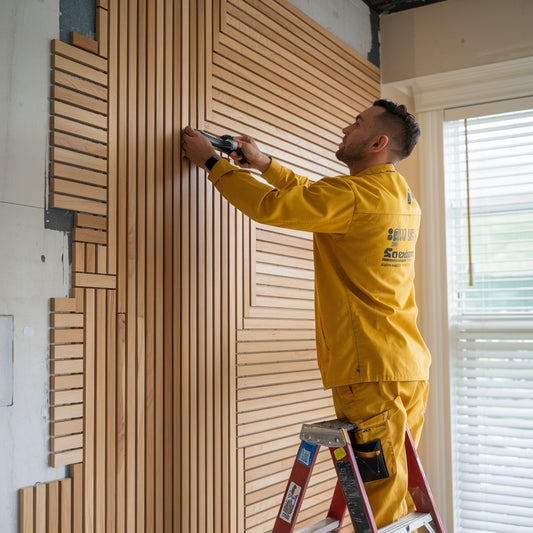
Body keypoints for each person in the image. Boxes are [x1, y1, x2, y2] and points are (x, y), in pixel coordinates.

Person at [181, 99, 431, 528]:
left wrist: (213, 165)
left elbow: (274, 207)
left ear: (378, 141)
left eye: (357, 123)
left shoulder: (355, 196)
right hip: (406, 365)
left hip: (368, 369)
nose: (346, 127)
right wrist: (264, 163)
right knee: (395, 488)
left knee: (382, 502)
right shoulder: (399, 196)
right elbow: (314, 197)